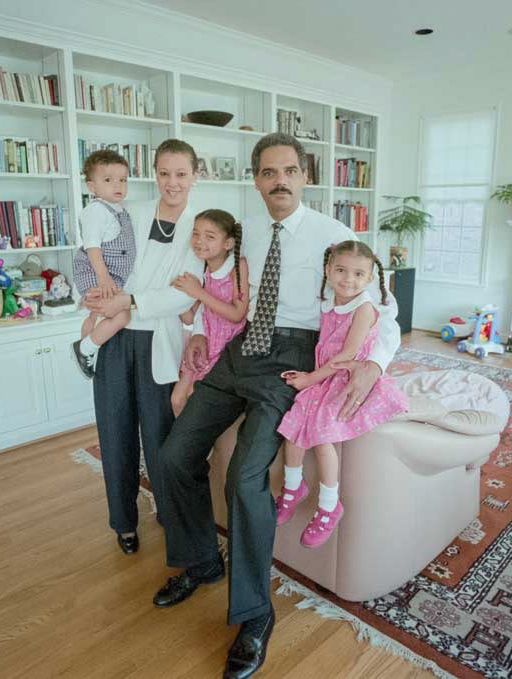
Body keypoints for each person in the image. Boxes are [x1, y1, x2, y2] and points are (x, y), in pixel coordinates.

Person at [152, 133, 401, 679]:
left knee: (244, 476)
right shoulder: (246, 230)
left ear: (305, 176)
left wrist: (373, 363)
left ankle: (255, 615)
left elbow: (384, 305)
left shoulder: (335, 235)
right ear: (256, 177)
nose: (279, 181)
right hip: (241, 349)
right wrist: (196, 329)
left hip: (292, 357)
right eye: (268, 172)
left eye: (289, 171)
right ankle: (200, 563)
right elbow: (229, 294)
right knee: (172, 457)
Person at [83, 139, 204, 555]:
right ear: (154, 173)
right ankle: (123, 522)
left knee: (159, 438)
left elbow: (188, 293)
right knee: (114, 434)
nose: (172, 183)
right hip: (116, 337)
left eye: (181, 174)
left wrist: (132, 301)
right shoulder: (128, 211)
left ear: (195, 175)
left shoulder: (200, 226)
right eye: (164, 173)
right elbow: (98, 257)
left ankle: (169, 513)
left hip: (160, 342)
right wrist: (97, 297)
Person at [274, 240, 408, 548]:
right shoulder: (328, 302)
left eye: (358, 274)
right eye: (341, 271)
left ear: (370, 278)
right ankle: (293, 488)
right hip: (325, 376)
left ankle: (329, 505)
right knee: (291, 429)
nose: (349, 279)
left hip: (343, 377)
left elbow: (346, 355)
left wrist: (310, 379)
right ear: (328, 271)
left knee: (322, 437)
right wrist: (310, 376)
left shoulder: (363, 309)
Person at [169, 209, 249, 416]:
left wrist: (198, 292)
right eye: (196, 233)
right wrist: (180, 296)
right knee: (177, 399)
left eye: (209, 236)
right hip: (203, 337)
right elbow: (195, 313)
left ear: (228, 243)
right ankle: (189, 447)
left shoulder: (237, 267)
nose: (199, 241)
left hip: (225, 346)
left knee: (197, 402)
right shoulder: (200, 267)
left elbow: (237, 314)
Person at [71, 149, 135, 379]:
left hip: (108, 276)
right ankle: (85, 349)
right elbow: (92, 247)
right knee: (122, 315)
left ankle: (87, 350)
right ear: (91, 186)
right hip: (97, 273)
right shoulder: (96, 211)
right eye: (108, 180)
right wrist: (103, 277)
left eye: (122, 179)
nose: (117, 185)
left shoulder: (118, 210)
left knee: (95, 316)